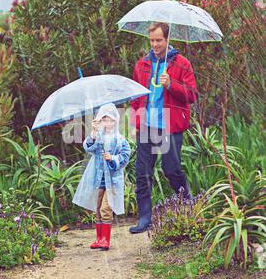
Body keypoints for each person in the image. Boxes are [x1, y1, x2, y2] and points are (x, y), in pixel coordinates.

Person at [129, 22, 198, 234]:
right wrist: (134, 121)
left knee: (171, 170)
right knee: (143, 173)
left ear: (168, 39)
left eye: (159, 40)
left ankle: (188, 206)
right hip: (147, 126)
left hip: (170, 125)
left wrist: (171, 85)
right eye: (152, 40)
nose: (155, 44)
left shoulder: (181, 64)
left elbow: (192, 95)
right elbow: (135, 96)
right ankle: (145, 219)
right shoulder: (142, 65)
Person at [73, 103, 131, 250]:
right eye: (105, 120)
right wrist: (93, 132)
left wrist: (112, 158)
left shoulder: (120, 139)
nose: (108, 123)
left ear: (116, 121)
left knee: (106, 208)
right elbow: (88, 147)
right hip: (98, 179)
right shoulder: (98, 136)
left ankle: (106, 239)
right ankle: (99, 238)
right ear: (100, 121)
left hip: (112, 181)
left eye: (111, 120)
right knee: (97, 208)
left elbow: (125, 156)